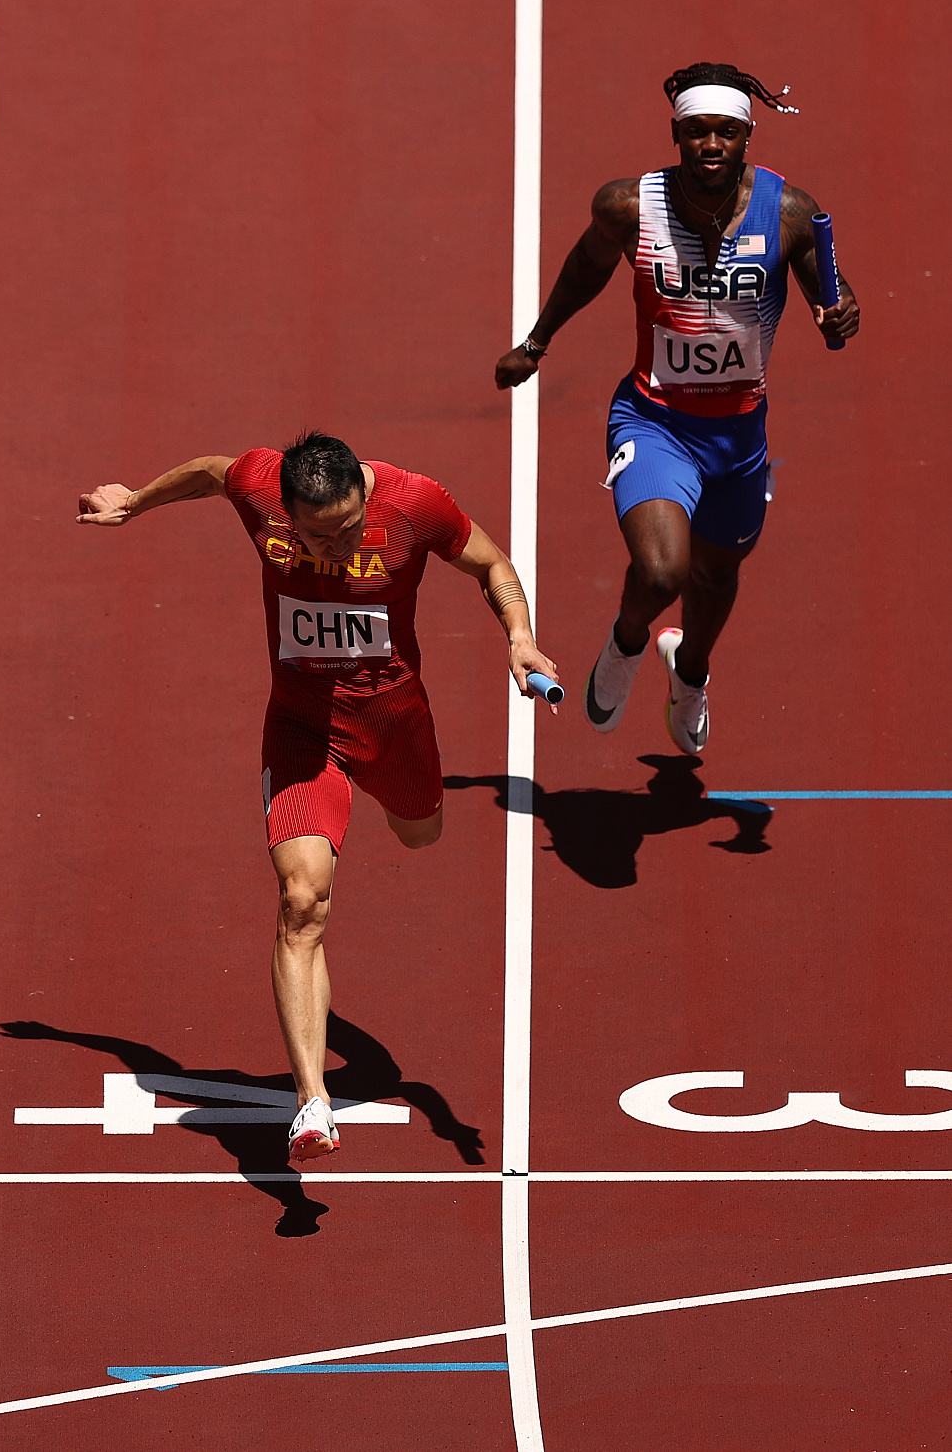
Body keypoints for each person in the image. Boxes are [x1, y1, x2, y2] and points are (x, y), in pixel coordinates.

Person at [78, 433, 557, 1160]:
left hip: (394, 725)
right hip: (303, 730)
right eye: (314, 535)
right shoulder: (260, 487)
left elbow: (491, 564)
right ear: (287, 511)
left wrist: (519, 636)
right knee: (302, 902)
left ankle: (330, 1050)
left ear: (364, 495)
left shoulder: (414, 501)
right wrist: (136, 500)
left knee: (418, 833)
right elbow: (211, 470)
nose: (332, 550)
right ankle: (313, 1103)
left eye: (344, 530)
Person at [495, 63, 860, 753]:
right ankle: (627, 643)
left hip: (739, 439)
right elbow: (586, 268)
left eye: (726, 131)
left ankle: (688, 672)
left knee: (717, 575)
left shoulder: (788, 214)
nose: (711, 144)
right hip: (654, 420)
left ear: (748, 137)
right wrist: (536, 343)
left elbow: (833, 300)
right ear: (677, 134)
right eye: (697, 132)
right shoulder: (630, 206)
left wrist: (842, 316)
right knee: (664, 570)